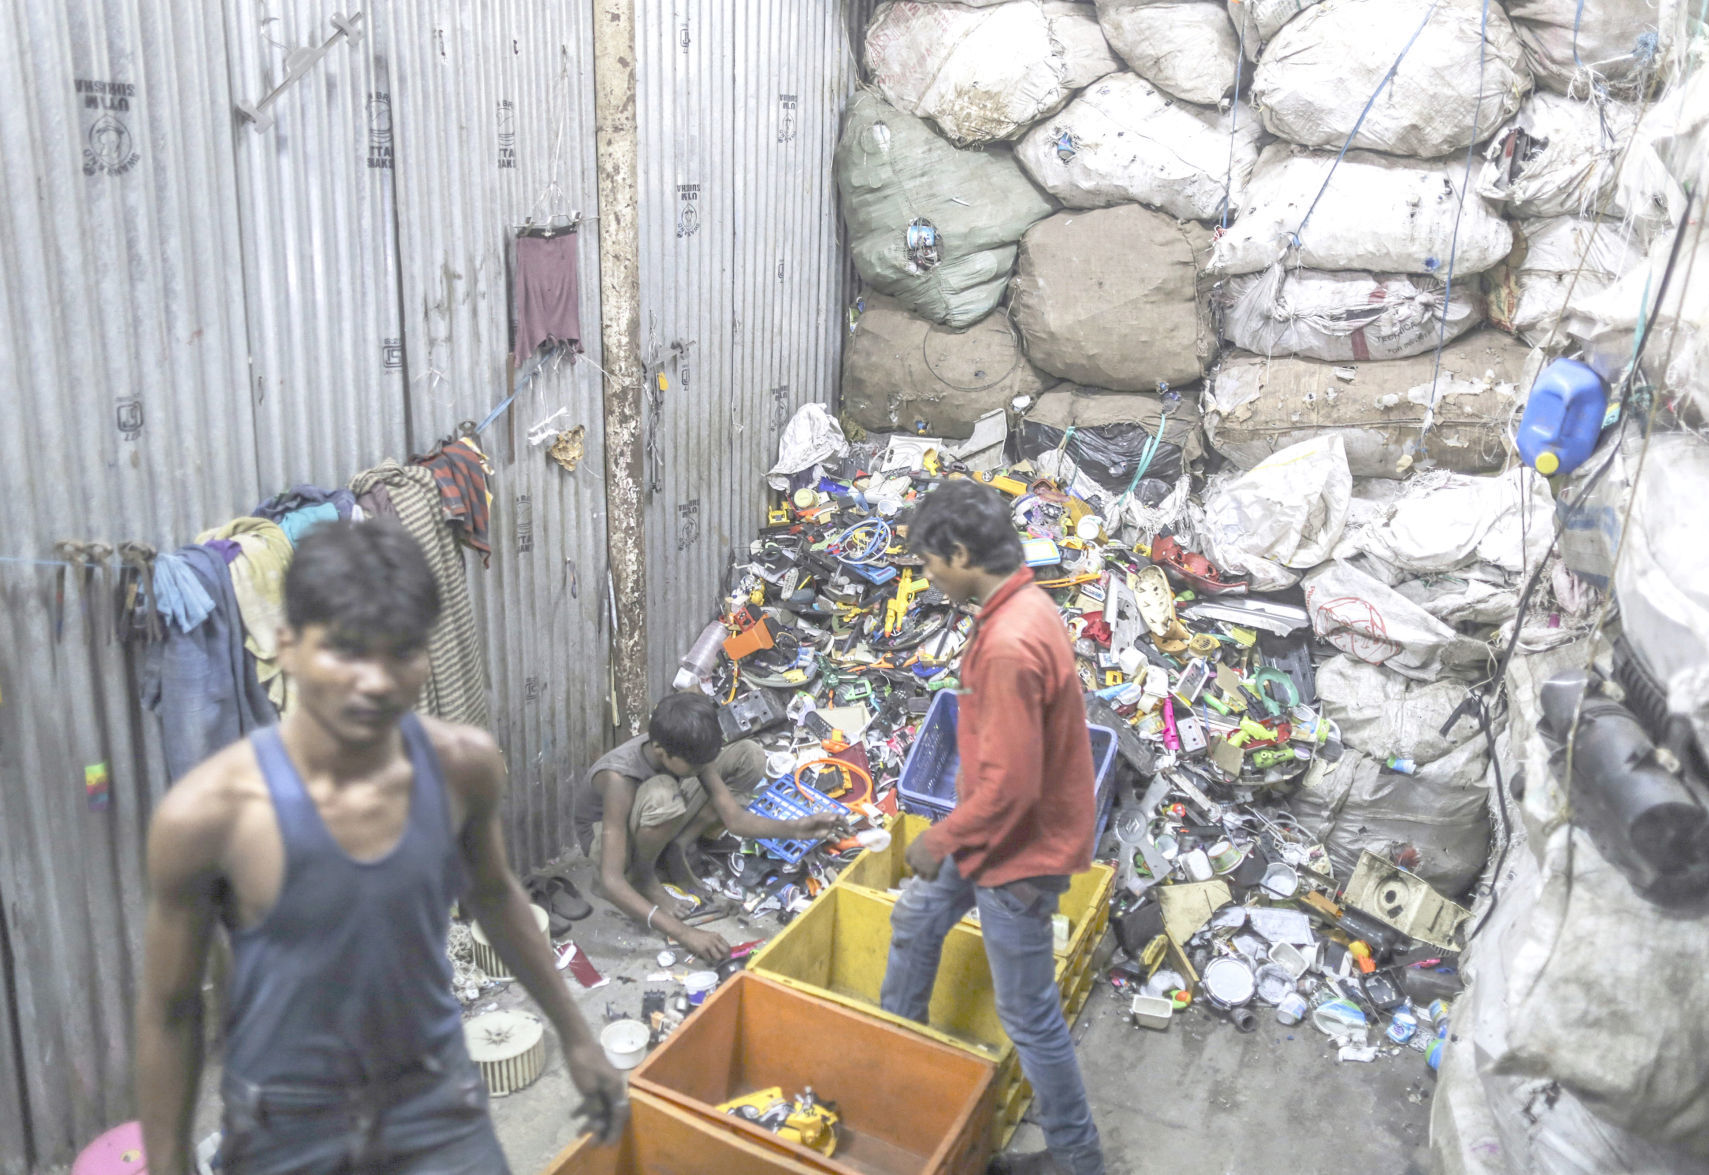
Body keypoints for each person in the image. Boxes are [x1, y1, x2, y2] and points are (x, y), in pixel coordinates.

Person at [135, 520, 626, 1175]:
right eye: (345, 650)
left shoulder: (462, 767)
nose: (374, 680)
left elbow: (495, 893)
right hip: (285, 1126)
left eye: (400, 651)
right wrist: (168, 1161)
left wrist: (577, 1035)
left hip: (433, 1102)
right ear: (287, 647)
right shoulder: (207, 814)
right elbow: (171, 1009)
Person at [879, 478, 1106, 1175]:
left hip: (1015, 852)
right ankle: (892, 1068)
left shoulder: (1009, 642)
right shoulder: (1024, 602)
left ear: (958, 552)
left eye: (928, 563)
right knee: (916, 921)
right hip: (989, 835)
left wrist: (935, 838)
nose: (926, 576)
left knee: (1029, 1014)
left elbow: (1011, 787)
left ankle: (1077, 1159)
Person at [575, 692, 841, 963]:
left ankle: (676, 847)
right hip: (604, 835)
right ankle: (644, 877)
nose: (703, 769)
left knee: (748, 756)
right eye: (697, 765)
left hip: (653, 806)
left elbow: (734, 819)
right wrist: (684, 933)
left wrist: (798, 828)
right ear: (660, 752)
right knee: (663, 796)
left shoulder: (685, 751)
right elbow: (609, 881)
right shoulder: (619, 779)